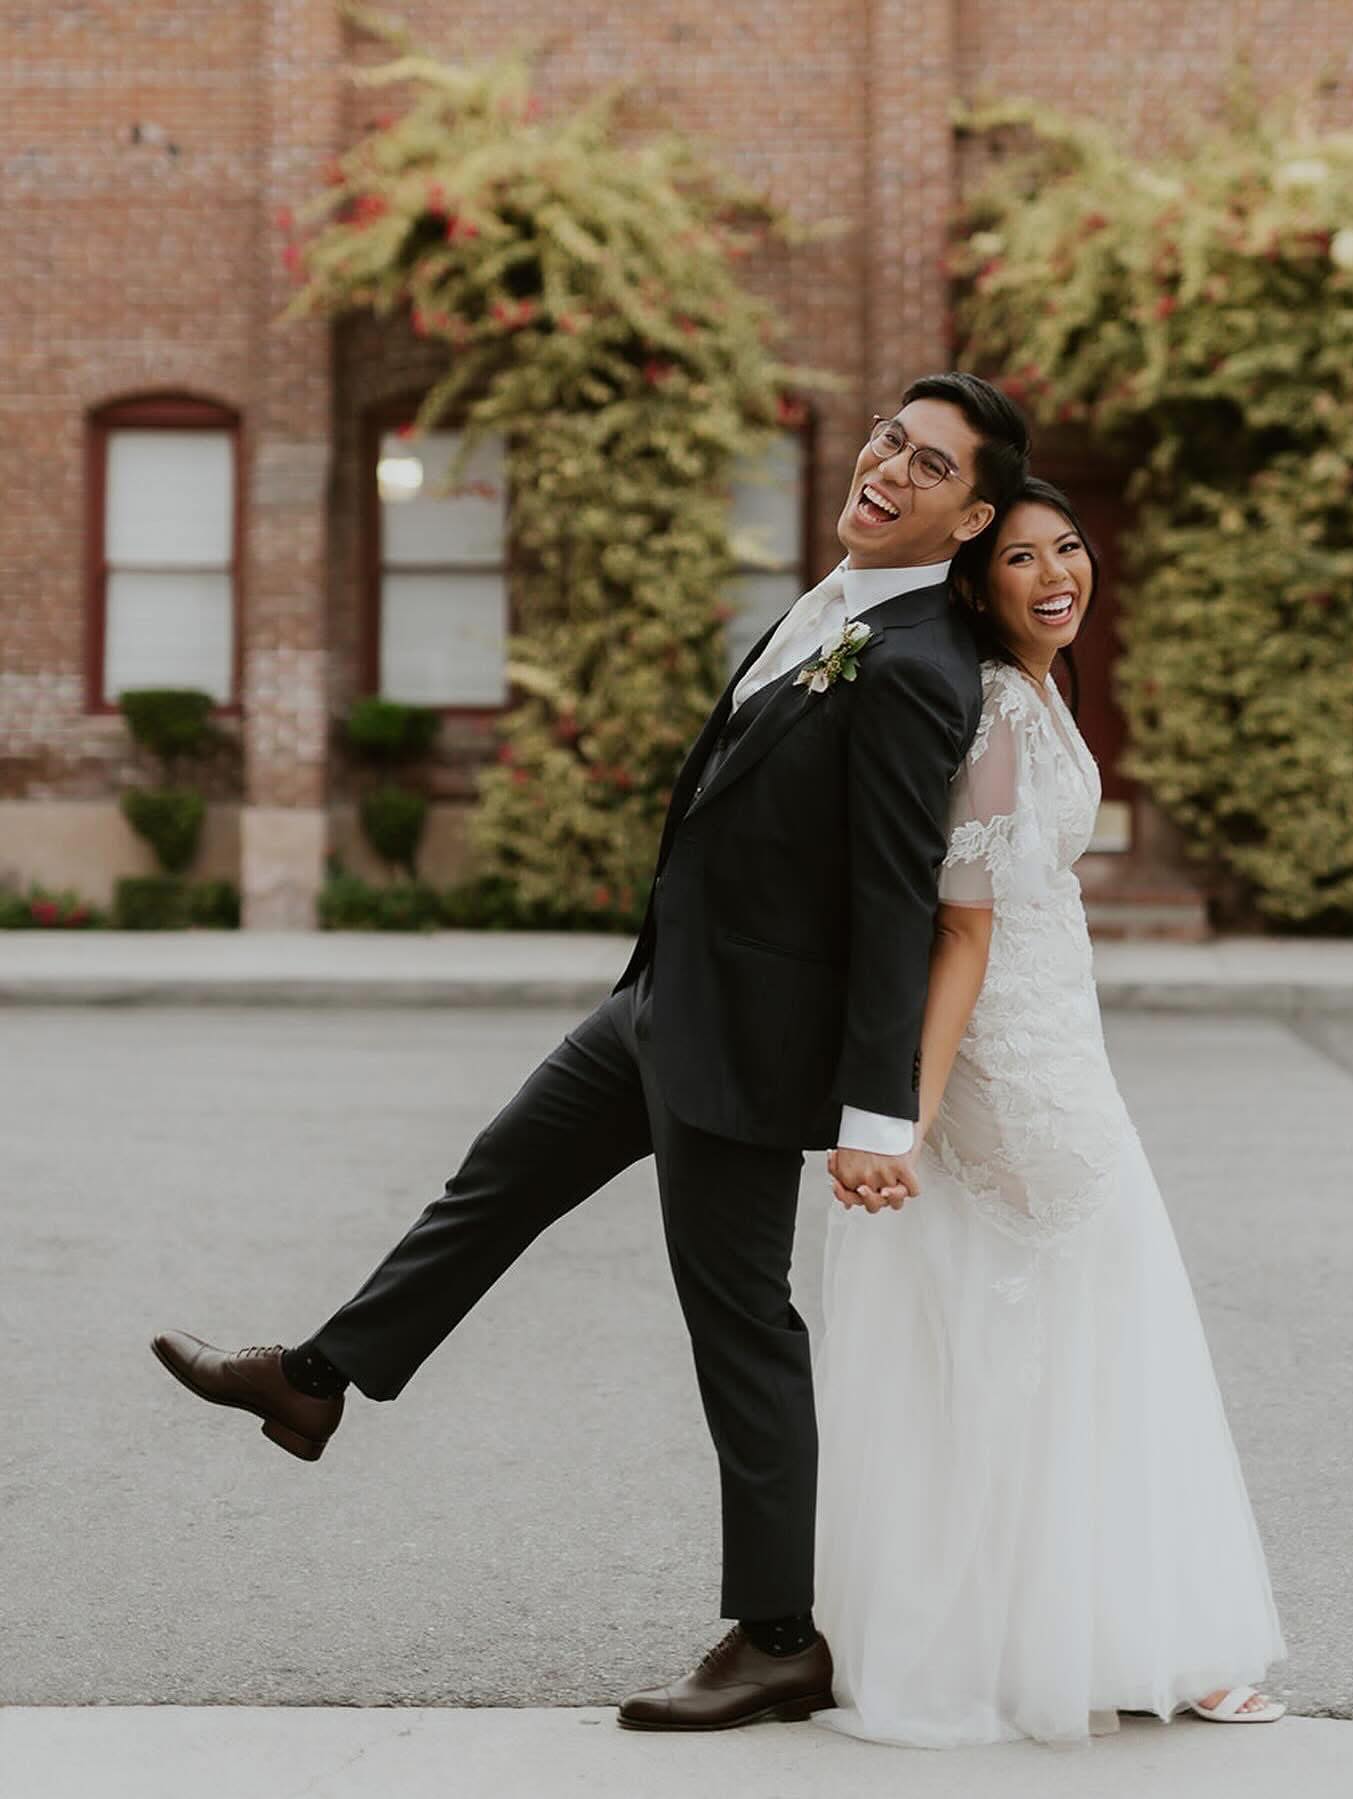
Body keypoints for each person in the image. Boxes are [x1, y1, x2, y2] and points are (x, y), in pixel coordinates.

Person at [150, 372, 1031, 1731]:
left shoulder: (913, 663)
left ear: (969, 519)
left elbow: (894, 891)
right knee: (492, 1181)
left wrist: (875, 1108)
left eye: (929, 467)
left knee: (740, 1322)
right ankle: (315, 1378)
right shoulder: (839, 605)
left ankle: (779, 1631)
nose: (887, 468)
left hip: (749, 1041)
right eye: (887, 440)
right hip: (669, 996)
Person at [812, 478, 1287, 1747]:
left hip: (1052, 1033)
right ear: (978, 580)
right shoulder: (997, 711)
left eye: (1068, 546)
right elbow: (962, 922)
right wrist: (904, 1113)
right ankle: (1137, 1638)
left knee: (1040, 1328)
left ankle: (1081, 1628)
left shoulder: (1032, 689)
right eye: (1021, 557)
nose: (1055, 573)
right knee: (1080, 1326)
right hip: (1018, 1062)